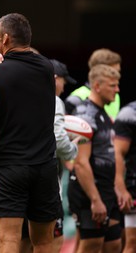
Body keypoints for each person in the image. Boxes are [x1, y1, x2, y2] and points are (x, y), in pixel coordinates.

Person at [0, 13, 60, 253]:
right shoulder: (47, 69)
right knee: (44, 242)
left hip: (10, 169)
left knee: (8, 240)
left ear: (5, 39)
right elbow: (29, 63)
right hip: (45, 168)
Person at [67, 64, 122, 253]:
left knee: (113, 244)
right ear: (97, 86)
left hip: (107, 190)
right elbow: (81, 163)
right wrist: (95, 199)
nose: (117, 90)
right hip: (89, 192)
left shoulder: (103, 113)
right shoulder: (85, 116)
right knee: (91, 246)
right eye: (112, 86)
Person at [65, 48, 122, 120]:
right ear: (98, 70)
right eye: (112, 71)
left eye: (118, 71)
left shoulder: (115, 96)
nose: (117, 75)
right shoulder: (76, 97)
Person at [114, 101, 136, 253]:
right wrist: (121, 188)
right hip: (134, 186)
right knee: (132, 242)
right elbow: (117, 154)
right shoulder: (129, 113)